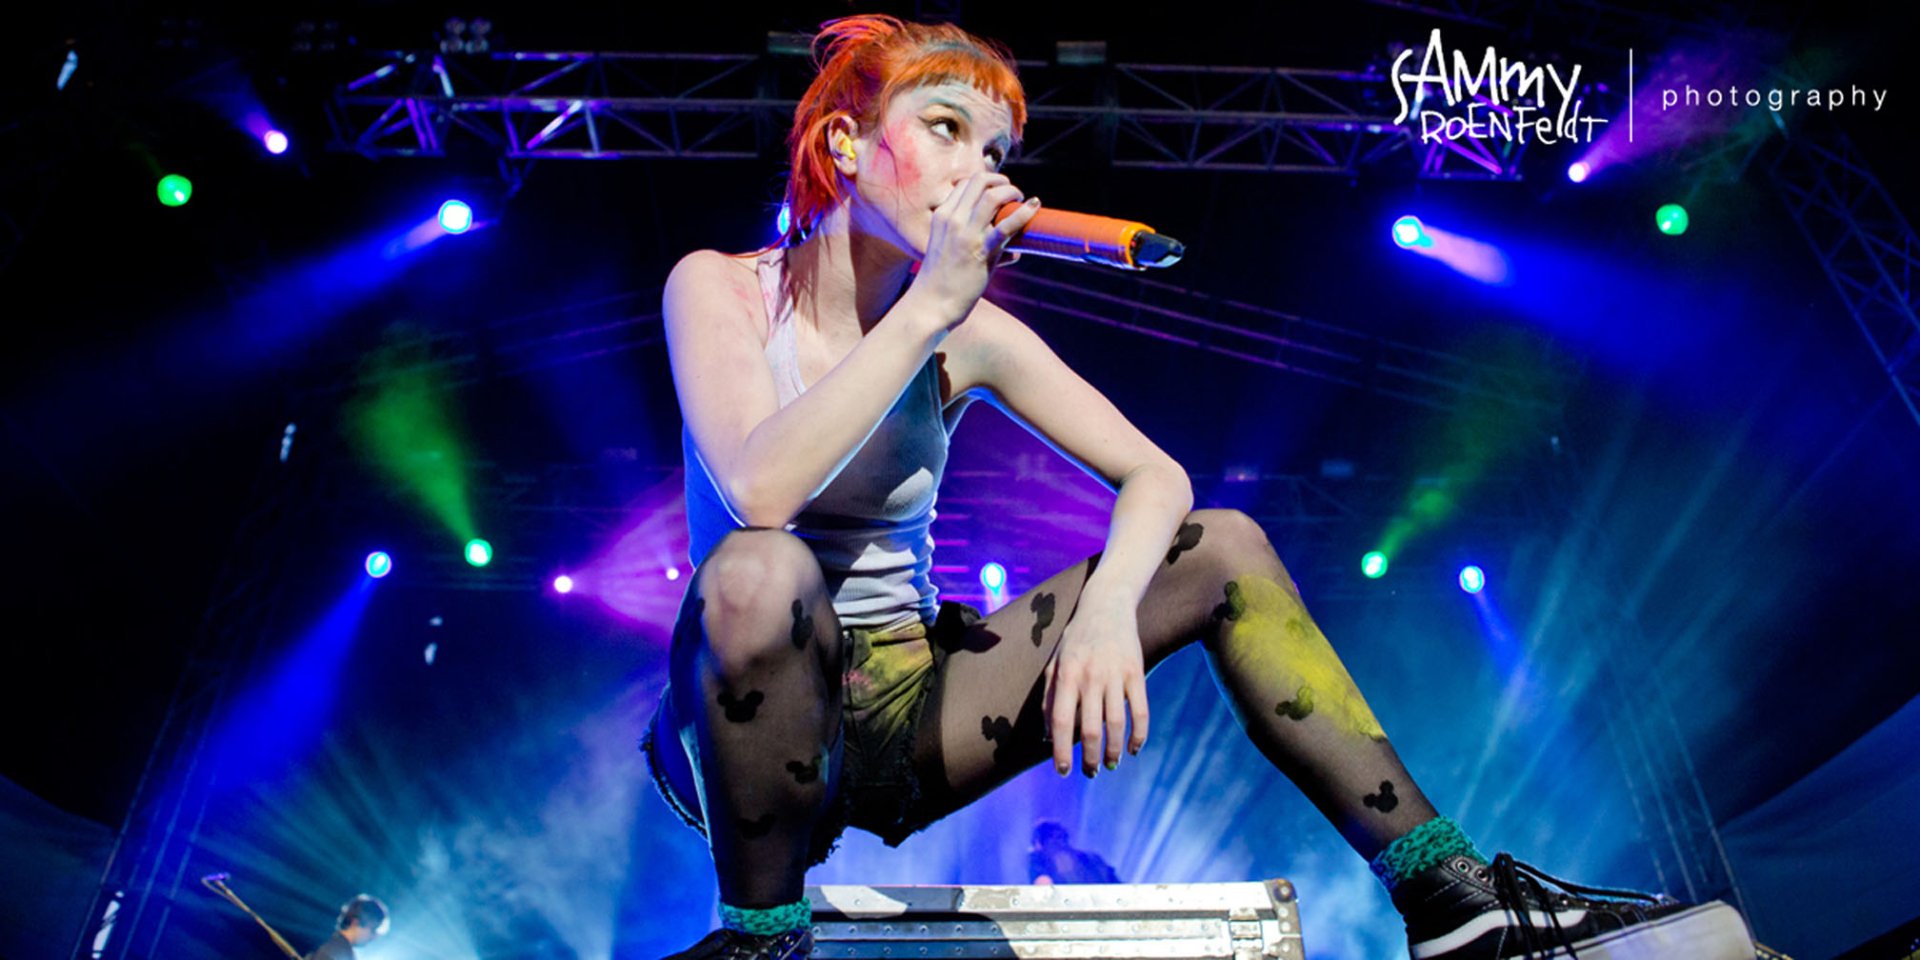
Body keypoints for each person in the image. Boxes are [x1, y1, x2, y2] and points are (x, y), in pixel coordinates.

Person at [641, 14, 1752, 960]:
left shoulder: (970, 332)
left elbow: (1156, 477)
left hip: (913, 707)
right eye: (945, 130)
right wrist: (931, 307)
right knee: (755, 572)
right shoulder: (724, 293)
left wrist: (1111, 610)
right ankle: (760, 933)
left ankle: (1453, 901)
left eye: (998, 147)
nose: (980, 170)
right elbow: (759, 489)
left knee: (1221, 545)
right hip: (756, 724)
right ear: (845, 142)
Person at [1028, 820, 1119, 885]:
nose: (1060, 842)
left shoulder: (1091, 859)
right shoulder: (1092, 858)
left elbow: (1043, 887)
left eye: (1060, 837)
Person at [302, 895, 387, 960]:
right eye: (373, 930)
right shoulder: (338, 952)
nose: (373, 937)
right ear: (355, 922)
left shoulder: (331, 945)